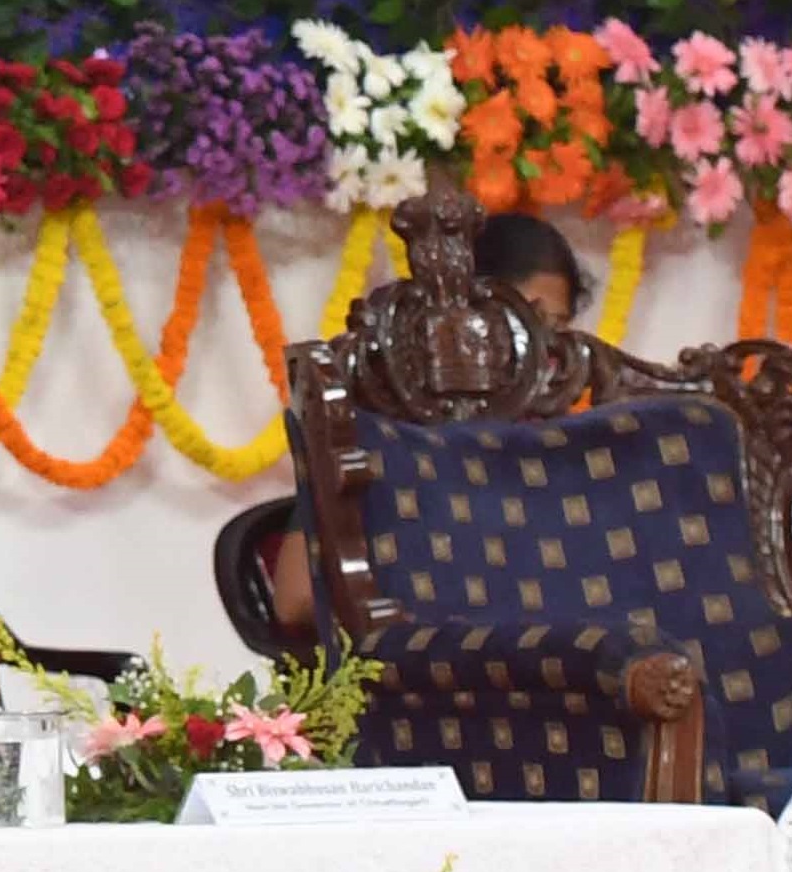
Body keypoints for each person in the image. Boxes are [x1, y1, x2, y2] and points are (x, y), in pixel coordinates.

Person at [238, 213, 594, 646]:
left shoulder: (559, 436)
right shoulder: (378, 431)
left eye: (554, 330)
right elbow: (295, 599)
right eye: (517, 325)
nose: (536, 352)